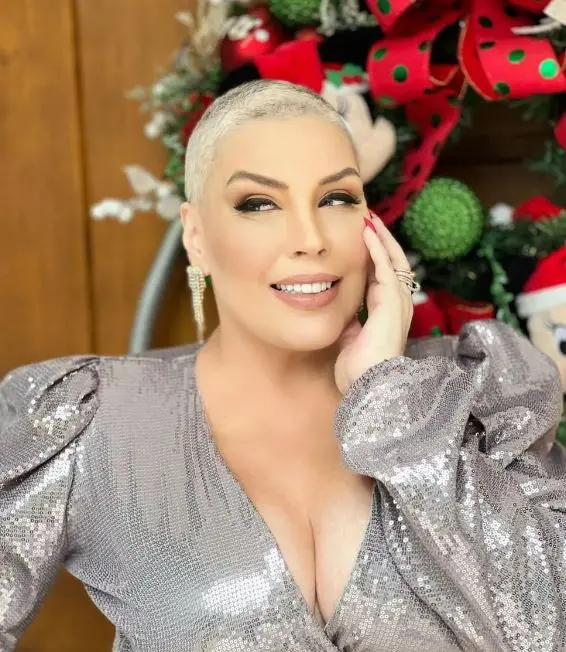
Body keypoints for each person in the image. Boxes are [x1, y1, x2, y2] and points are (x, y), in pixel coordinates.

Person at [1, 80, 565, 652]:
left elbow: (549, 628)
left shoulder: (477, 392)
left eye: (336, 198)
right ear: (197, 237)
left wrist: (392, 401)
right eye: (258, 204)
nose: (310, 239)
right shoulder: (90, 423)